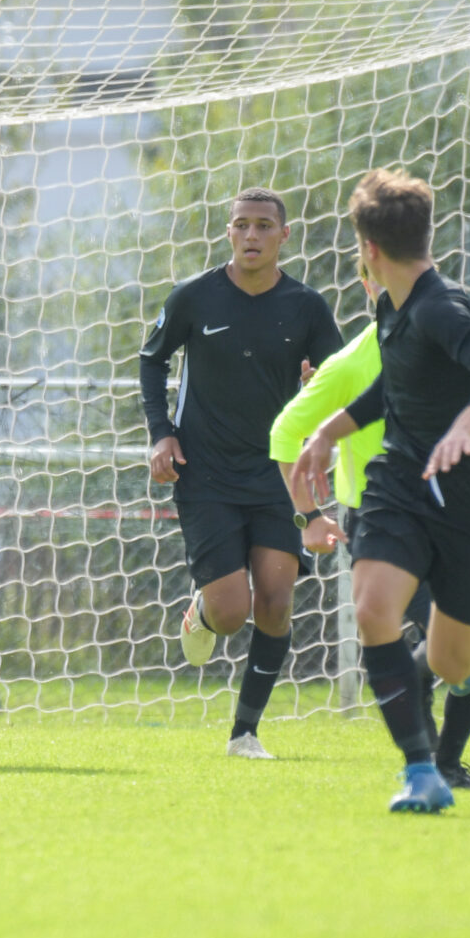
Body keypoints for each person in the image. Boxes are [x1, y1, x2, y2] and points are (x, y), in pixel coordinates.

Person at [291, 169, 470, 815]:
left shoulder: (439, 305)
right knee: (372, 610)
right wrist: (328, 433)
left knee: (456, 663)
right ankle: (422, 772)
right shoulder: (390, 305)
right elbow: (394, 385)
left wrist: (465, 429)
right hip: (399, 484)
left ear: (365, 247)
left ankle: (435, 685)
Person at [139, 188, 344, 758]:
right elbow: (151, 360)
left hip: (278, 472)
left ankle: (245, 733)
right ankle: (203, 609)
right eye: (241, 225)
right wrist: (162, 433)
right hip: (205, 473)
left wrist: (317, 393)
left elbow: (335, 376)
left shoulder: (306, 306)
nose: (251, 235)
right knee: (231, 614)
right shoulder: (194, 298)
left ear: (283, 237)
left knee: (275, 603)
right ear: (228, 233)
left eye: (262, 226)